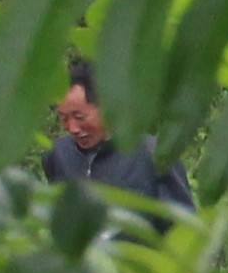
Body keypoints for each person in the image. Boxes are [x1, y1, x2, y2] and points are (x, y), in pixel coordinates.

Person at [43, 57, 196, 208]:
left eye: (79, 117)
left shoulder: (154, 156)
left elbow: (181, 221)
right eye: (63, 118)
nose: (72, 128)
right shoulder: (58, 154)